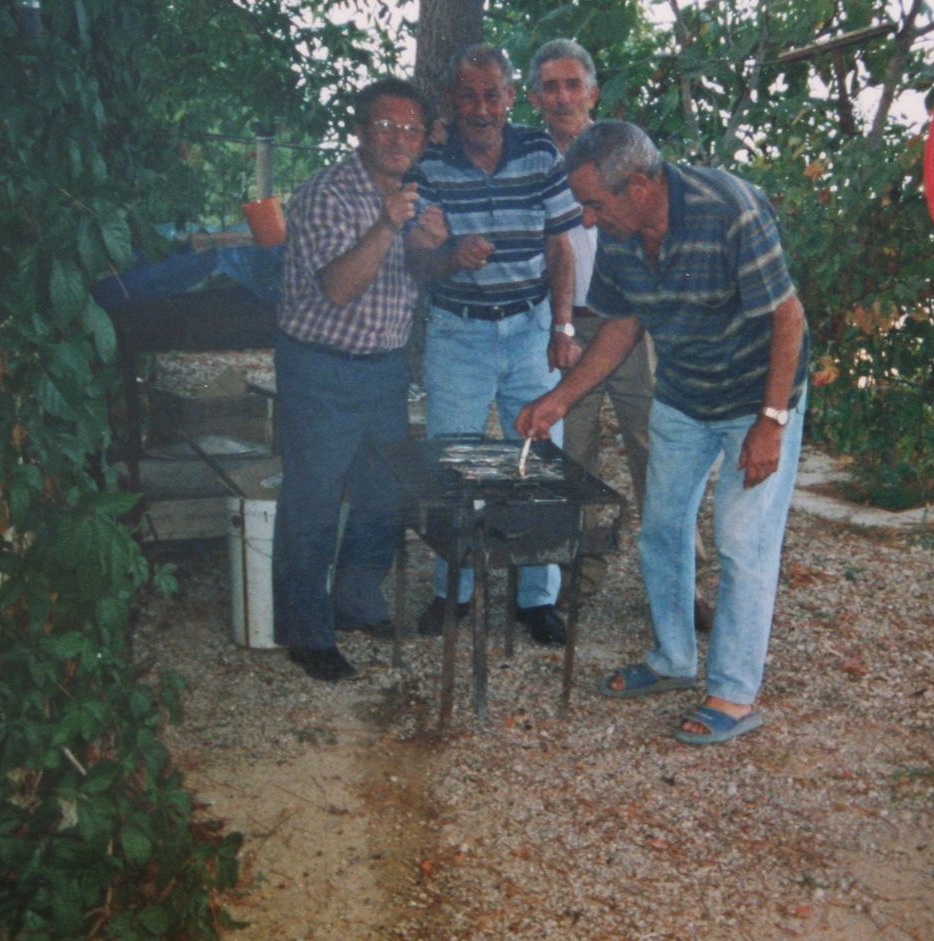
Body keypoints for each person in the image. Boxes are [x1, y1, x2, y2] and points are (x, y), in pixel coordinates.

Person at [516, 120, 809, 744]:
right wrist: (558, 400)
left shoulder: (729, 209)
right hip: (682, 394)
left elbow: (789, 316)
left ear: (641, 185)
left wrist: (771, 421)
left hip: (756, 396)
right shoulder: (620, 230)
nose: (587, 220)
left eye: (595, 204)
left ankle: (734, 694)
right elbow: (621, 325)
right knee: (662, 529)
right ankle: (673, 659)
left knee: (743, 542)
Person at [527, 40, 712, 631]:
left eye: (572, 84)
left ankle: (683, 585)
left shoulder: (622, 150)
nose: (562, 97)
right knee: (571, 457)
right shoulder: (528, 156)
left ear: (592, 91)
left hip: (631, 322)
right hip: (564, 326)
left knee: (655, 445)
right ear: (534, 97)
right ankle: (575, 581)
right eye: (550, 86)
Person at [406, 44, 582, 646]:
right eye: (468, 96)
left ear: (510, 97)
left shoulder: (538, 151)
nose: (481, 109)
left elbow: (560, 248)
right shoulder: (429, 164)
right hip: (458, 333)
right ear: (452, 101)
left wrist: (562, 328)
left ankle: (537, 598)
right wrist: (451, 256)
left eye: (492, 95)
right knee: (451, 464)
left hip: (531, 327)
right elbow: (418, 265)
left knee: (538, 461)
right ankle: (450, 590)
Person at [273, 77, 432, 681]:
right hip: (320, 366)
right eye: (386, 126)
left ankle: (356, 602)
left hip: (384, 369)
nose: (399, 139)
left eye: (412, 129)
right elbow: (339, 289)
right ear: (360, 132)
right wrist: (388, 226)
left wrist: (443, 249)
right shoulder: (326, 193)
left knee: (383, 498)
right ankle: (306, 633)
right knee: (313, 503)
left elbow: (425, 275)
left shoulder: (418, 194)